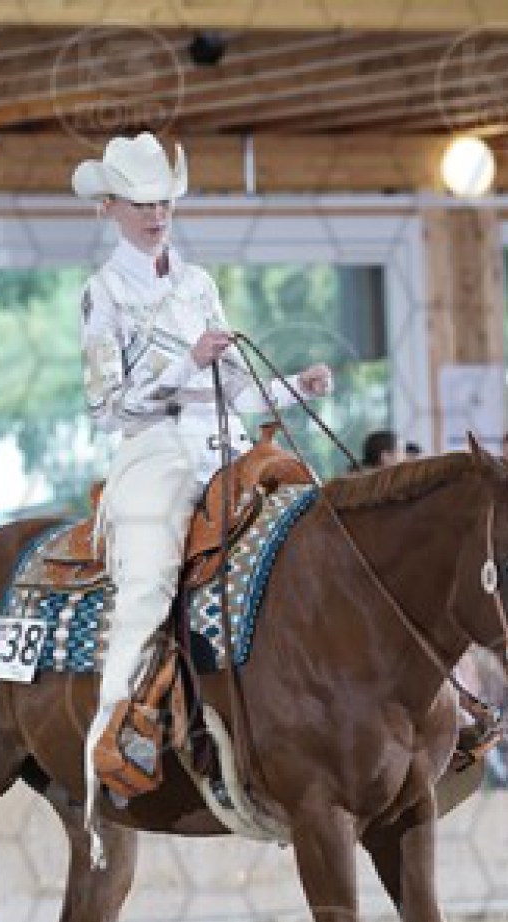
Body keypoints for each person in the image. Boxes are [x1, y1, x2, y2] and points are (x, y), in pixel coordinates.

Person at [74, 131, 333, 822]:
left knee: (316, 525)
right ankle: (117, 733)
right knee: (149, 577)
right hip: (154, 453)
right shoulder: (103, 293)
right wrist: (187, 362)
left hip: (227, 444)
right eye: (141, 205)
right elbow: (107, 407)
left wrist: (293, 388)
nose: (156, 216)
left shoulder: (198, 285)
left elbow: (237, 388)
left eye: (163, 203)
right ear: (109, 208)